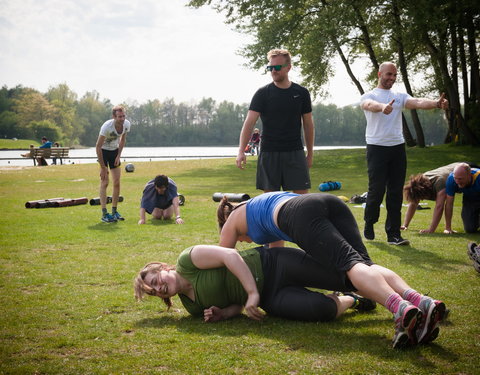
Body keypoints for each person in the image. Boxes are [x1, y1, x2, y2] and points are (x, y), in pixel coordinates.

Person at [217, 192, 447, 348]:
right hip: (326, 202)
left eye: (243, 241)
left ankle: (399, 308)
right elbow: (279, 257)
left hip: (300, 214)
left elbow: (222, 260)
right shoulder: (258, 206)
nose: (246, 243)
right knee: (365, 266)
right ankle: (422, 301)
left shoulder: (231, 221)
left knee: (349, 267)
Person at [360, 62, 449, 245]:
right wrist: (382, 107)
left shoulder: (399, 96)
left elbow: (416, 102)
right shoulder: (369, 95)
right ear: (379, 74)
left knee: (395, 192)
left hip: (397, 148)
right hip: (377, 148)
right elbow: (369, 105)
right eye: (388, 75)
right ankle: (369, 222)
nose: (391, 78)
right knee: (376, 190)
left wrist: (435, 103)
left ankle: (394, 234)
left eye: (394, 75)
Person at [236, 48, 314, 194]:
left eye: (277, 67)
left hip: (295, 152)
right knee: (270, 203)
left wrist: (310, 153)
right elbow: (249, 123)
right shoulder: (262, 93)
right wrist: (241, 151)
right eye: (270, 68)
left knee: (301, 202)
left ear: (288, 68)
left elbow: (308, 125)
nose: (273, 71)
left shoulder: (301, 93)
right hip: (269, 153)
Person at [402, 162, 478, 233]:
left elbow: (439, 207)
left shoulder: (440, 183)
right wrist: (405, 225)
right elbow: (413, 203)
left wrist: (431, 229)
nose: (420, 200)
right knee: (470, 227)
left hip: (468, 169)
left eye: (420, 198)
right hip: (458, 171)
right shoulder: (419, 183)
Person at [95, 105, 131, 223]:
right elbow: (98, 146)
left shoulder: (126, 124)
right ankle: (105, 214)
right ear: (114, 117)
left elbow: (123, 140)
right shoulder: (107, 127)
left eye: (123, 116)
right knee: (105, 182)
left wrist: (118, 155)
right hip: (103, 152)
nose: (122, 119)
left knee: (117, 182)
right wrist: (102, 167)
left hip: (114, 152)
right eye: (119, 117)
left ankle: (114, 212)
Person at [444, 163, 480, 233]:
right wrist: (448, 228)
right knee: (470, 229)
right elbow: (449, 204)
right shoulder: (451, 179)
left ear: (469, 175)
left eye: (460, 179)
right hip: (470, 199)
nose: (457, 182)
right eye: (455, 178)